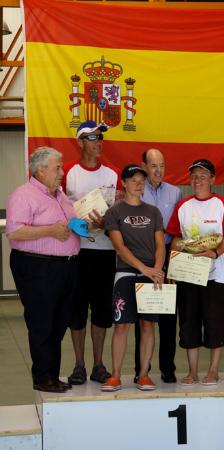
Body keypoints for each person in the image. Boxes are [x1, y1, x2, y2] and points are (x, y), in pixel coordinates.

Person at [6, 147, 80, 393]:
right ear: (40, 170)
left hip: (65, 267)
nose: (62, 172)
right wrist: (50, 230)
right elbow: (15, 232)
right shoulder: (23, 195)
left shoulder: (61, 196)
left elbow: (68, 224)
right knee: (42, 323)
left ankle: (52, 375)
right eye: (57, 167)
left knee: (59, 322)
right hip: (37, 266)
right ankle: (42, 377)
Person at [166, 159, 224, 385]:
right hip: (189, 273)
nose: (198, 180)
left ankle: (213, 370)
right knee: (188, 322)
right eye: (194, 176)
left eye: (203, 176)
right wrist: (174, 263)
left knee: (214, 321)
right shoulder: (184, 207)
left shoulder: (222, 204)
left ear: (213, 179)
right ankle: (192, 371)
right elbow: (175, 238)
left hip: (215, 274)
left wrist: (216, 253)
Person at [63, 120, 121, 385]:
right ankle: (79, 365)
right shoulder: (69, 174)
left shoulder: (111, 174)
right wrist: (77, 223)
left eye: (101, 138)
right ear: (80, 142)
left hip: (105, 251)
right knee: (77, 311)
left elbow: (117, 211)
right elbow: (61, 211)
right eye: (92, 138)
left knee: (101, 310)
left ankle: (98, 365)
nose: (98, 143)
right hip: (77, 251)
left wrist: (104, 224)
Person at [102, 164, 165, 391]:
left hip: (151, 273)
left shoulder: (153, 212)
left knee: (148, 325)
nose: (138, 184)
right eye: (133, 180)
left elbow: (160, 244)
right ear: (124, 183)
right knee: (121, 325)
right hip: (126, 273)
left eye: (142, 180)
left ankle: (144, 374)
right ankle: (115, 375)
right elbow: (119, 247)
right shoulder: (114, 213)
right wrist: (143, 268)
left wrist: (156, 269)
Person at [133, 148, 181, 384]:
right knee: (143, 316)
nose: (158, 170)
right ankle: (141, 369)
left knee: (169, 317)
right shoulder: (137, 191)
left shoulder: (175, 192)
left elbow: (180, 229)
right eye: (153, 166)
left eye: (162, 165)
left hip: (169, 257)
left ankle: (168, 368)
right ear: (143, 166)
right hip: (142, 258)